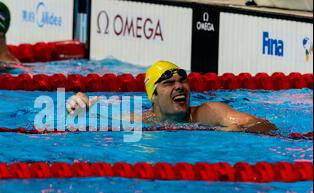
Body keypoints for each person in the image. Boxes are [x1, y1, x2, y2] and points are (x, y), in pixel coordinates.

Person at [67, 61, 277, 133]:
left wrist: (235, 129)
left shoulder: (208, 112)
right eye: (169, 83)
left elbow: (265, 124)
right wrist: (80, 103)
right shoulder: (140, 120)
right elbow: (93, 107)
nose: (179, 87)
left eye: (182, 81)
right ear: (154, 97)